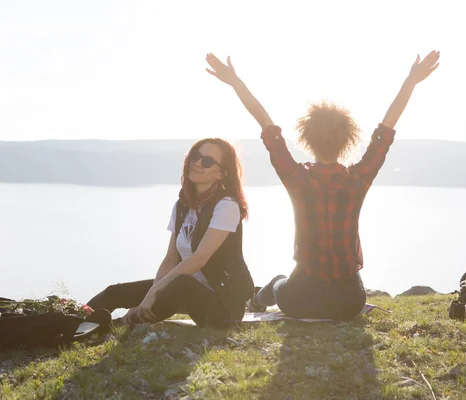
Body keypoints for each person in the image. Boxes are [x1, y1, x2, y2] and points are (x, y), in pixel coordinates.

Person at [205, 50, 440, 321]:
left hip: (300, 299)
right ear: (346, 141)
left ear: (307, 139)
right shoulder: (357, 180)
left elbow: (266, 125)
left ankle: (258, 300)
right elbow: (385, 131)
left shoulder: (297, 178)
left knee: (278, 282)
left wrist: (235, 82)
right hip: (348, 303)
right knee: (289, 282)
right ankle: (264, 295)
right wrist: (410, 81)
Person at [87, 138, 254, 327]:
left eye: (207, 161)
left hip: (223, 305)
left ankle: (116, 326)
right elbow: (170, 260)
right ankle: (74, 323)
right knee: (113, 293)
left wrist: (154, 293)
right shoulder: (183, 206)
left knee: (181, 284)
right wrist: (150, 294)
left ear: (222, 173)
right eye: (195, 156)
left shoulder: (227, 206)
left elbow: (199, 258)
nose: (197, 163)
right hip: (185, 291)